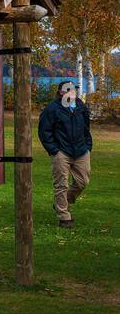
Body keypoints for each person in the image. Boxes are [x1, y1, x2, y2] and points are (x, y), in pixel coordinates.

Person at [38, 81, 93, 228]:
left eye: (74, 89)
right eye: (68, 89)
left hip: (81, 151)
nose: (72, 92)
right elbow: (45, 132)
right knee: (61, 184)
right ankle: (64, 216)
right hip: (61, 152)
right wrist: (54, 150)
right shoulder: (52, 109)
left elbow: (86, 128)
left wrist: (88, 145)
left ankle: (62, 202)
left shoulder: (81, 106)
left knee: (83, 182)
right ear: (61, 92)